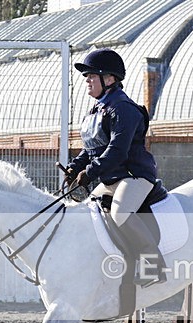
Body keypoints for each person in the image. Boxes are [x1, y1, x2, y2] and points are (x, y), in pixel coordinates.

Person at [66, 48, 168, 286]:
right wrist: (75, 166)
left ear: (109, 78)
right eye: (87, 76)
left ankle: (153, 266)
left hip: (134, 176)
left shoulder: (123, 108)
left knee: (120, 214)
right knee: (86, 213)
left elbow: (117, 150)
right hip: (112, 178)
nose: (88, 80)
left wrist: (90, 172)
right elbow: (92, 148)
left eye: (92, 75)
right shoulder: (98, 108)